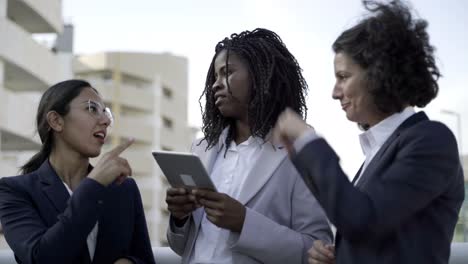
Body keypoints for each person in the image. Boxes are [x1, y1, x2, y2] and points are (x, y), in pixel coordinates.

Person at [273, 1, 464, 263]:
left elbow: (363, 220)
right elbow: (376, 237)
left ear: (378, 75)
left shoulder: (432, 140)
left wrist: (308, 140)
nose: (334, 92)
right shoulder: (378, 152)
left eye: (343, 76)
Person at [165, 28, 332, 263]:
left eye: (227, 73)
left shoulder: (300, 151)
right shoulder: (200, 149)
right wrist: (179, 217)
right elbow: (183, 247)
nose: (215, 85)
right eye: (215, 76)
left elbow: (315, 249)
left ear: (261, 77)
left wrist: (244, 222)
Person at [0, 80, 155, 264]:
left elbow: (144, 258)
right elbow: (41, 258)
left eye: (106, 113)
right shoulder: (14, 190)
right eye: (92, 108)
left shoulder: (124, 187)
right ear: (56, 121)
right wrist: (93, 186)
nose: (105, 121)